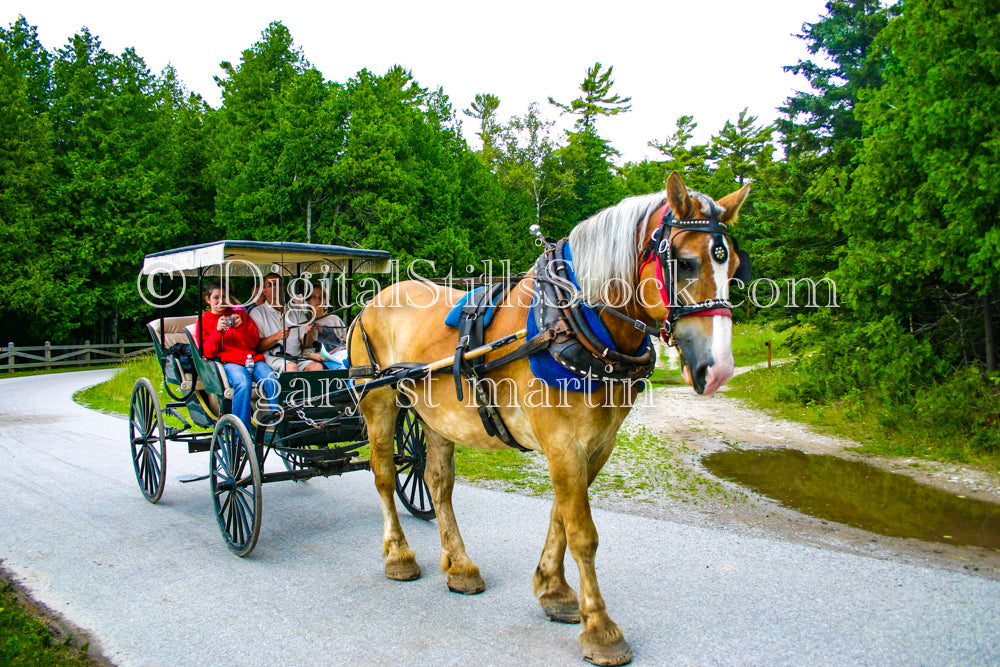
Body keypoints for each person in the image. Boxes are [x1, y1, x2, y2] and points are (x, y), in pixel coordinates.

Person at [198, 282, 278, 431]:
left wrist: (241, 327)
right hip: (228, 362)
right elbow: (207, 352)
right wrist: (217, 331)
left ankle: (277, 423)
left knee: (272, 380)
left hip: (250, 358)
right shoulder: (204, 321)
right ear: (208, 300)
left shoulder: (240, 315)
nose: (221, 301)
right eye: (216, 297)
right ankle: (241, 430)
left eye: (224, 297)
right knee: (243, 383)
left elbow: (253, 343)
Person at [250, 273, 323, 372]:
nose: (275, 287)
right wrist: (276, 337)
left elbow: (306, 344)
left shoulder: (295, 310)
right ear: (263, 291)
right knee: (291, 367)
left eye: (278, 284)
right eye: (270, 285)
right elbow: (256, 347)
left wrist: (309, 334)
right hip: (272, 357)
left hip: (297, 357)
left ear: (284, 288)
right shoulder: (257, 313)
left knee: (317, 367)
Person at [303, 284, 349, 370]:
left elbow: (346, 340)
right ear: (308, 300)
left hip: (340, 354)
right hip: (320, 357)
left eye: (321, 297)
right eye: (314, 297)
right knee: (343, 369)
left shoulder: (334, 319)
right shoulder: (305, 319)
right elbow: (301, 348)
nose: (318, 300)